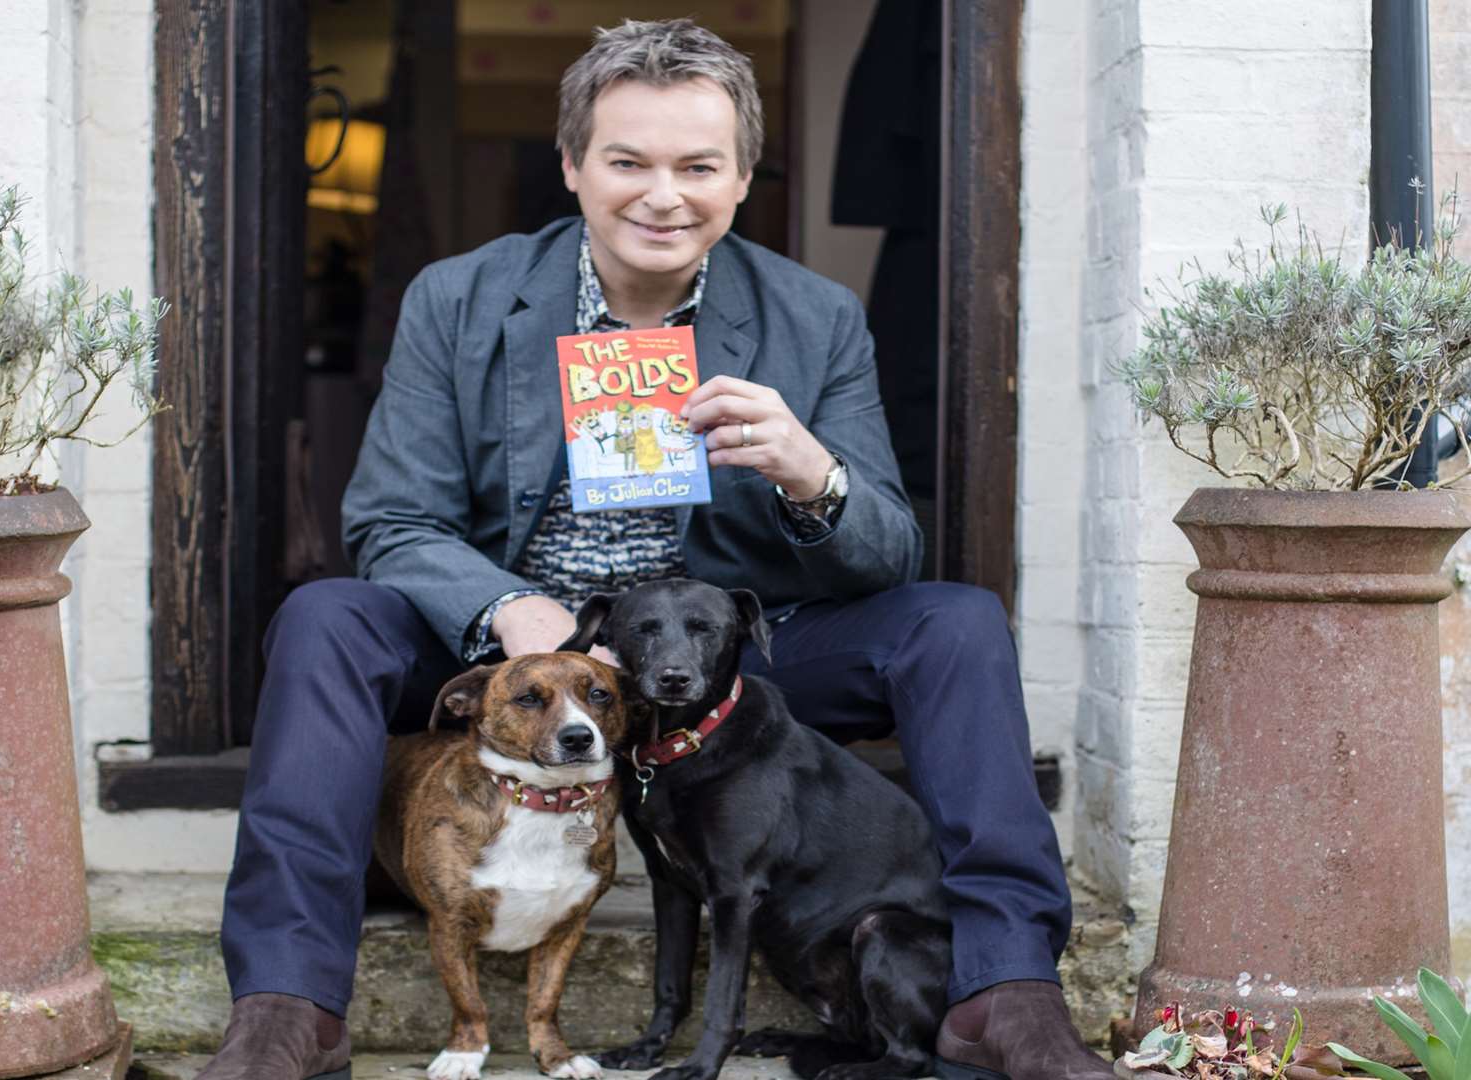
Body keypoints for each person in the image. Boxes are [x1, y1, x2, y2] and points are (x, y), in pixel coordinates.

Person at [198, 18, 1110, 1080]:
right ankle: (285, 1005)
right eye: (628, 161)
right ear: (575, 164)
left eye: (697, 166)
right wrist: (508, 613)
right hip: (524, 660)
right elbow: (392, 521)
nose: (662, 195)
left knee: (955, 623)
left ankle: (1008, 991)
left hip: (714, 661)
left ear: (741, 176)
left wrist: (815, 478)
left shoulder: (814, 319)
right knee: (325, 618)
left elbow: (888, 557)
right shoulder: (462, 299)